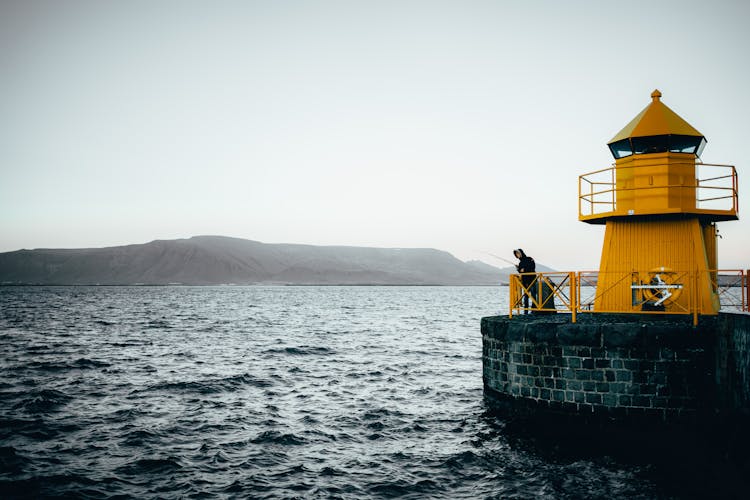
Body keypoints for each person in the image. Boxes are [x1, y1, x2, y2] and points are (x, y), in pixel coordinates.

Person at [514, 249, 536, 313]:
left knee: (533, 295)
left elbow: (533, 267)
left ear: (521, 253)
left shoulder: (529, 259)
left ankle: (533, 310)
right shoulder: (520, 263)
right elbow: (521, 272)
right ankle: (525, 311)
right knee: (526, 296)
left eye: (518, 253)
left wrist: (524, 269)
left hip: (532, 279)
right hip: (525, 281)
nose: (517, 255)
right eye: (516, 254)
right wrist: (518, 269)